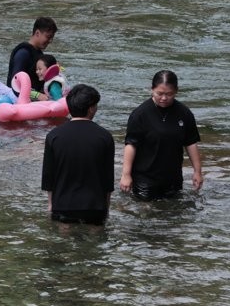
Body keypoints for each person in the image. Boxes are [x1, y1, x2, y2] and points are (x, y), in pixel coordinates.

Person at [120, 70, 203, 200]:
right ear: (152, 89)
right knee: (145, 215)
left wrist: (197, 172)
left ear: (176, 91)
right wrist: (126, 174)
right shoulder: (140, 114)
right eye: (159, 93)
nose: (164, 98)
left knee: (172, 215)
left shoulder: (184, 113)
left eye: (169, 94)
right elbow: (131, 145)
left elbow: (191, 143)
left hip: (173, 178)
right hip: (145, 179)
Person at [41, 84, 115, 225]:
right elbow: (108, 179)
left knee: (64, 243)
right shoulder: (105, 137)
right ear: (91, 108)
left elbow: (48, 176)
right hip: (95, 206)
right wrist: (106, 207)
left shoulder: (54, 136)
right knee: (95, 242)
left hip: (63, 204)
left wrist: (51, 205)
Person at [7, 17, 58, 95]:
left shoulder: (38, 53)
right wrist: (37, 96)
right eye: (48, 37)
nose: (50, 41)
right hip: (20, 101)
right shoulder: (22, 53)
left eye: (52, 38)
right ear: (37, 33)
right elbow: (15, 83)